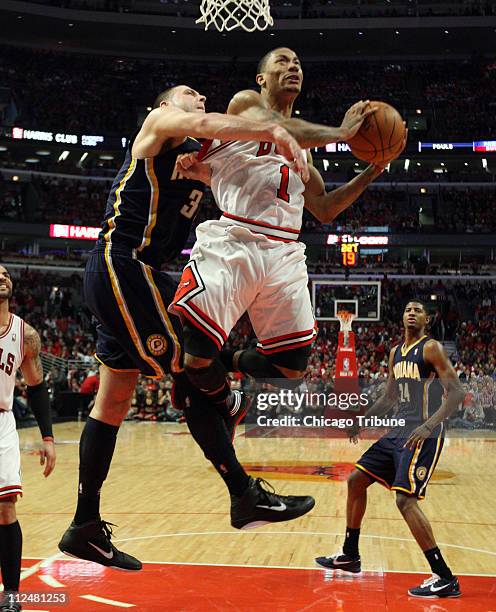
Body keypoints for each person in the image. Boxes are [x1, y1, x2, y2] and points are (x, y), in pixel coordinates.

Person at [58, 84, 315, 571]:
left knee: (113, 402)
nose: (201, 99)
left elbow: (233, 166)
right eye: (190, 93)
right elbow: (202, 124)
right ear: (162, 105)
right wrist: (271, 126)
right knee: (190, 369)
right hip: (123, 265)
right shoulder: (157, 127)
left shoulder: (200, 156)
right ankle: (243, 489)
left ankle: (85, 525)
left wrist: (215, 168)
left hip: (141, 275)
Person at [172, 46, 401, 436]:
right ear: (262, 78)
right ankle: (216, 393)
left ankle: (223, 361)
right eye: (282, 61)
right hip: (237, 237)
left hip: (284, 251)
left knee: (291, 369)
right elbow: (276, 127)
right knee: (195, 358)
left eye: (297, 62)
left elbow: (325, 209)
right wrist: (342, 133)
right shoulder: (245, 104)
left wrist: (372, 171)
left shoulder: (305, 160)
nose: (293, 66)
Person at [315, 300, 465, 599]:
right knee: (356, 480)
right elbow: (389, 396)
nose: (411, 312)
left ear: (427, 319)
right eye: (407, 308)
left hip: (425, 431)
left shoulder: (431, 348)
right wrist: (362, 421)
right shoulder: (396, 352)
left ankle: (444, 576)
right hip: (398, 429)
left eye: (418, 310)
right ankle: (350, 554)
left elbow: (457, 391)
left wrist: (428, 426)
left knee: (405, 501)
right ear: (402, 315)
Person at [0, 265, 56, 612]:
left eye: (5, 273)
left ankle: (11, 596)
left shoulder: (25, 334)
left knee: (6, 508)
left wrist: (48, 438)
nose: (2, 277)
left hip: (2, 421)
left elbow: (36, 388)